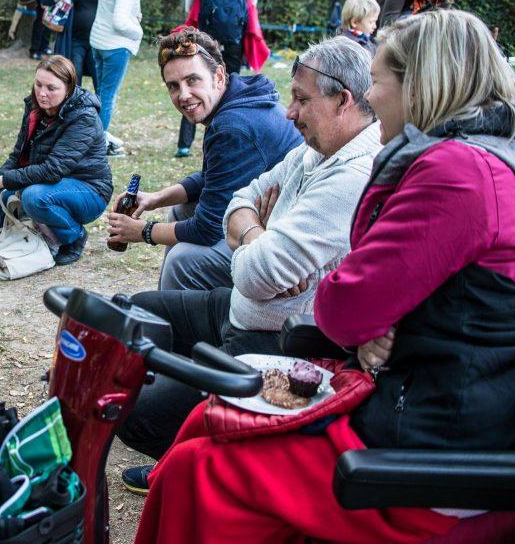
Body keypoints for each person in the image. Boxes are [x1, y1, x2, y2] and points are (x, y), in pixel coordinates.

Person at [135, 9, 515, 543]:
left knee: (200, 467)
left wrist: (371, 311)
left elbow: (341, 308)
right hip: (432, 409)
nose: (373, 98)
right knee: (201, 424)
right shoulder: (493, 157)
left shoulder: (456, 173)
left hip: (432, 456)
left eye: (378, 81)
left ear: (419, 84)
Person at [117, 36, 382, 493]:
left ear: (344, 101)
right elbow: (238, 200)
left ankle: (203, 464)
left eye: (302, 99)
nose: (290, 112)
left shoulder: (350, 174)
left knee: (134, 416)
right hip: (242, 307)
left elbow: (254, 270)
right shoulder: (318, 147)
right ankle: (187, 404)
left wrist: (252, 233)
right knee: (135, 310)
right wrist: (258, 233)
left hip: (273, 337)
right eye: (172, 86)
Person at [106, 28, 301, 291]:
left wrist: (143, 231)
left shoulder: (233, 125)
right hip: (267, 219)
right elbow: (214, 177)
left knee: (182, 261)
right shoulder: (237, 98)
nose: (183, 95)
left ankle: (174, 319)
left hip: (287, 250)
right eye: (173, 86)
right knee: (181, 209)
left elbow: (207, 229)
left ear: (218, 76)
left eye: (192, 80)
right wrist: (155, 199)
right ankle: (178, 304)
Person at [0, 56, 112, 266]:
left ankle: (74, 237)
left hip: (88, 189)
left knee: (34, 198)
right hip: (46, 183)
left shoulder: (84, 117)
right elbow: (17, 157)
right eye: (38, 85)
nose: (42, 93)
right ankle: (39, 230)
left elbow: (52, 170)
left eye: (51, 88)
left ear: (69, 88)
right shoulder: (35, 108)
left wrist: (0, 182)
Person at [176, 0, 267, 158]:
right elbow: (252, 4)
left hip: (208, 41)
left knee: (195, 84)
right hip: (234, 39)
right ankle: (230, 136)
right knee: (230, 84)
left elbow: (189, 6)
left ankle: (185, 144)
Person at [90, 0, 154, 156]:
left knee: (100, 94)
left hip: (98, 42)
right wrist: (138, 29)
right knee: (108, 96)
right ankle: (98, 144)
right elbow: (119, 20)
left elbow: (113, 11)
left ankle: (96, 136)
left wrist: (131, 15)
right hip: (114, 46)